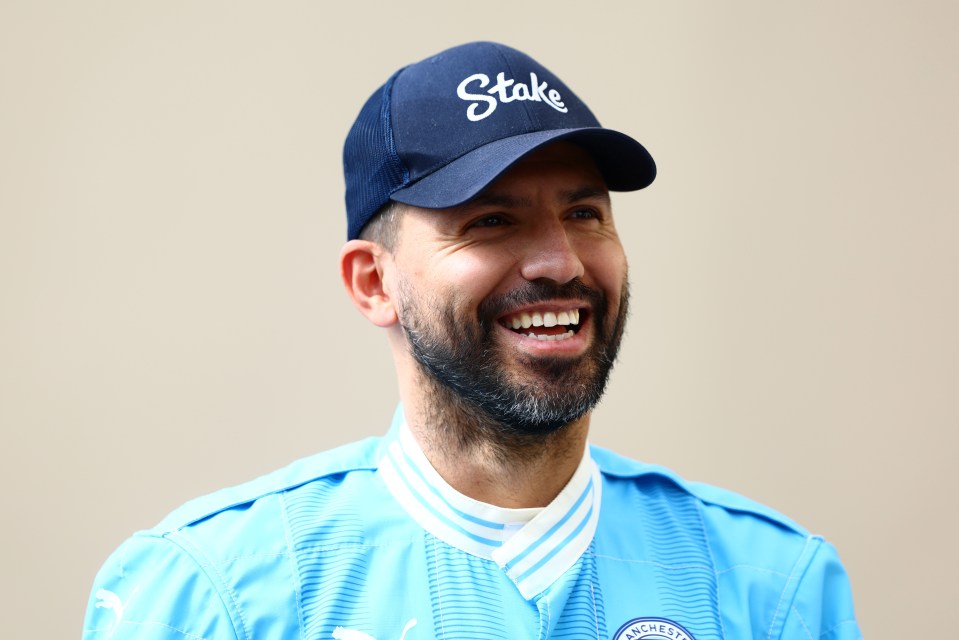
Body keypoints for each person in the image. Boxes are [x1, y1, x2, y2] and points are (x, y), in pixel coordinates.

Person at [83, 42, 861, 640]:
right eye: (491, 220)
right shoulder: (214, 593)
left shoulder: (771, 587)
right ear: (373, 283)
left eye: (585, 213)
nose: (560, 261)